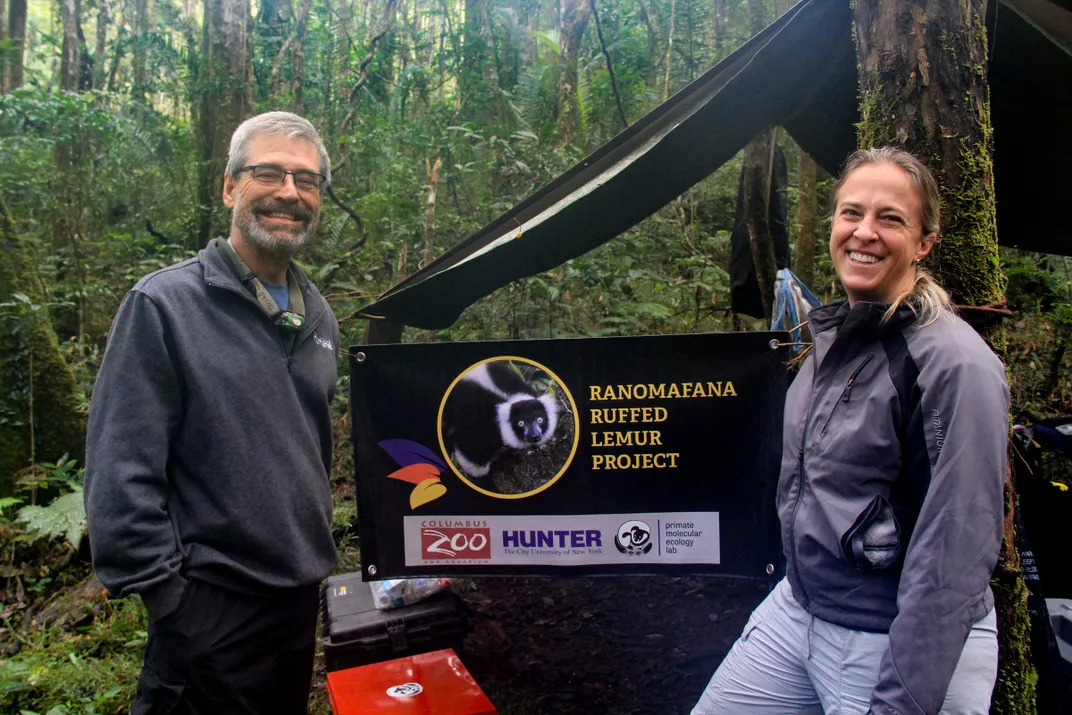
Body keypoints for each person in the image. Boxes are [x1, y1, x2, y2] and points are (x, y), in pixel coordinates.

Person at [692, 147, 1008, 715]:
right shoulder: (834, 337)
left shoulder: (953, 364)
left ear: (925, 242)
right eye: (850, 213)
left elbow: (955, 555)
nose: (864, 233)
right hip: (800, 611)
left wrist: (902, 700)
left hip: (893, 641)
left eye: (890, 218)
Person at [84, 112, 341, 714]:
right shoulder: (164, 305)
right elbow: (120, 467)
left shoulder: (320, 318)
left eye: (306, 181)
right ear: (230, 188)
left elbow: (309, 449)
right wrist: (169, 598)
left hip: (297, 602)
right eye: (269, 173)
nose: (288, 192)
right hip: (209, 605)